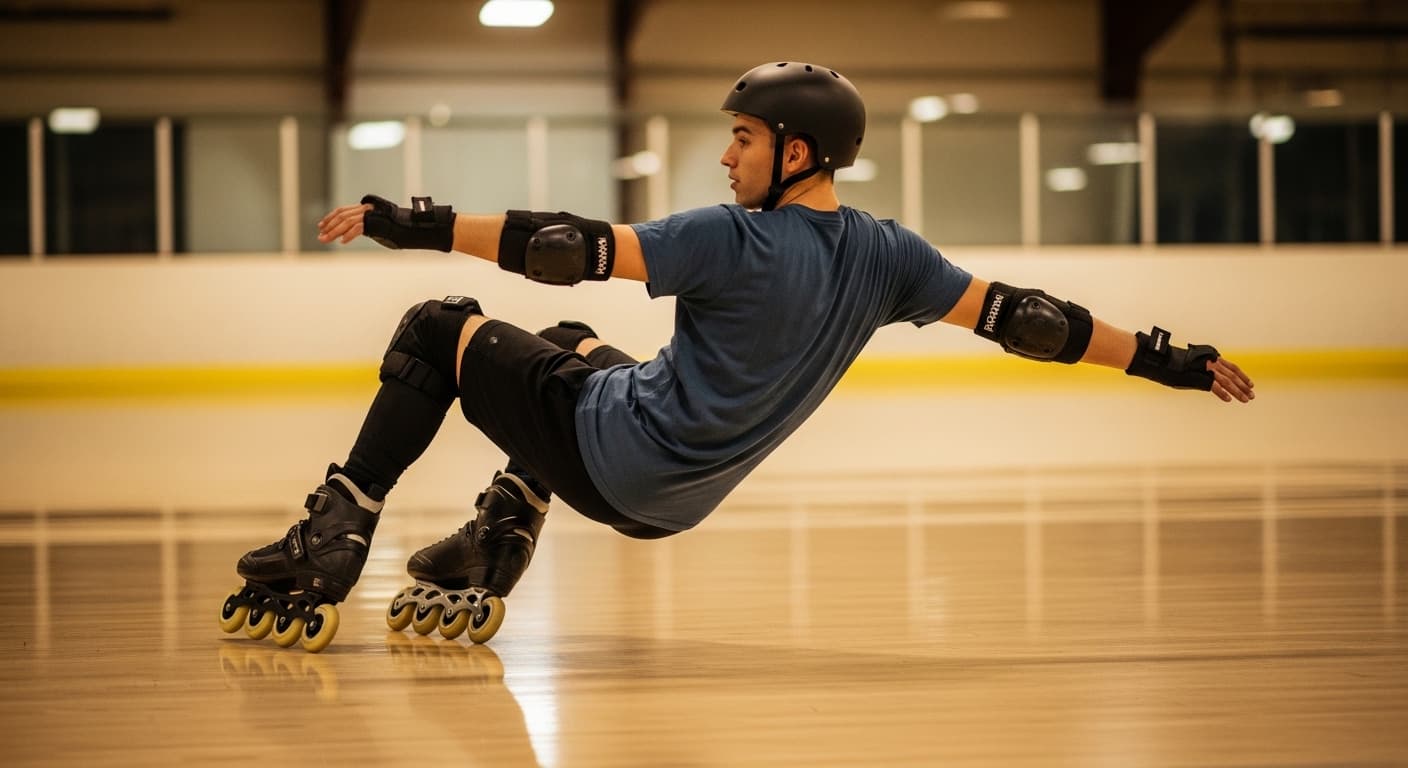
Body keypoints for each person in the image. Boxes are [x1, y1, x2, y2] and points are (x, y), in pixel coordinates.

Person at [218, 61, 1255, 652]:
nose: (726, 157)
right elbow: (1032, 320)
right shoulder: (891, 257)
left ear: (795, 152)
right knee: (584, 351)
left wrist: (414, 223)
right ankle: (500, 532)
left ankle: (334, 534)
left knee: (439, 325)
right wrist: (1159, 358)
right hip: (677, 498)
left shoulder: (729, 238)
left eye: (744, 139)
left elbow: (563, 248)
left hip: (611, 455)